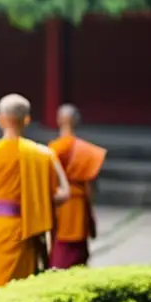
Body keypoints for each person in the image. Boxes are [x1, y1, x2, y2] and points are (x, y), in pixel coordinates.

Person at [0, 94, 69, 290]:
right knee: (23, 287)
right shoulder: (41, 154)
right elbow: (64, 193)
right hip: (29, 227)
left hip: (0, 227)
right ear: (26, 120)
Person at [47, 104, 106, 269]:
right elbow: (92, 181)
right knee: (78, 248)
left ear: (59, 120)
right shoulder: (86, 150)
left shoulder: (54, 148)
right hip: (79, 202)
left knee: (62, 248)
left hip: (60, 201)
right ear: (77, 121)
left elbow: (48, 179)